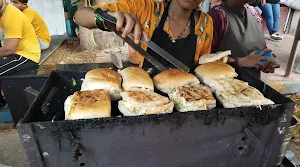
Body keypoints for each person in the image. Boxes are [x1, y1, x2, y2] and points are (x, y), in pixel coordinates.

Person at [74, 0, 214, 72]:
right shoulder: (144, 8)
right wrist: (106, 18)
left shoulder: (206, 23)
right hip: (144, 97)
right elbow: (80, 15)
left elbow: (202, 67)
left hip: (188, 101)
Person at [208, 0, 280, 79]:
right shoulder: (216, 16)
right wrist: (240, 61)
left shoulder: (254, 12)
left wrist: (265, 59)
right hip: (226, 85)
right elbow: (204, 59)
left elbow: (259, 47)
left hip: (252, 84)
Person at [0, 0, 40, 107]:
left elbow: (9, 49)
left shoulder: (11, 16)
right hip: (14, 53)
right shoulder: (3, 12)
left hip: (26, 57)